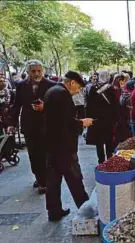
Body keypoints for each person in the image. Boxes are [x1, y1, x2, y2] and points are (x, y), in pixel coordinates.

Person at [43, 70, 93, 221]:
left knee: (53, 180)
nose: (77, 92)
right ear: (72, 83)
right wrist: (82, 123)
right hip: (64, 146)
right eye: (78, 88)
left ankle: (54, 211)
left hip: (52, 144)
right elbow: (65, 122)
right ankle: (86, 211)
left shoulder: (51, 91)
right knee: (74, 178)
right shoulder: (62, 94)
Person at [8, 60, 56, 194]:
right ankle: (39, 176)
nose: (36, 74)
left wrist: (45, 107)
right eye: (33, 71)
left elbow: (58, 106)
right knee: (34, 155)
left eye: (39, 71)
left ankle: (43, 181)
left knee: (45, 154)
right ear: (28, 72)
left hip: (46, 126)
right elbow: (16, 105)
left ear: (43, 71)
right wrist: (12, 124)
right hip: (29, 126)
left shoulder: (51, 85)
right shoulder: (21, 86)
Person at [86, 70, 119, 164]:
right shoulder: (111, 89)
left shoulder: (92, 88)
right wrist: (115, 119)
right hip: (108, 120)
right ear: (108, 77)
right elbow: (115, 106)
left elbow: (89, 105)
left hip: (96, 120)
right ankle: (109, 160)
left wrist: (89, 118)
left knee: (99, 142)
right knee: (109, 140)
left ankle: (101, 161)